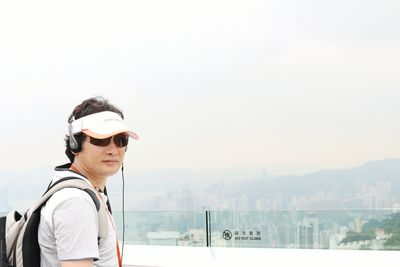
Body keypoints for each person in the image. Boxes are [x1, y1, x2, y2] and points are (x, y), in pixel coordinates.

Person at [38, 96, 138, 267]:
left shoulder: (82, 192)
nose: (113, 150)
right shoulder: (76, 202)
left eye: (121, 140)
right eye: (101, 140)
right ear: (75, 144)